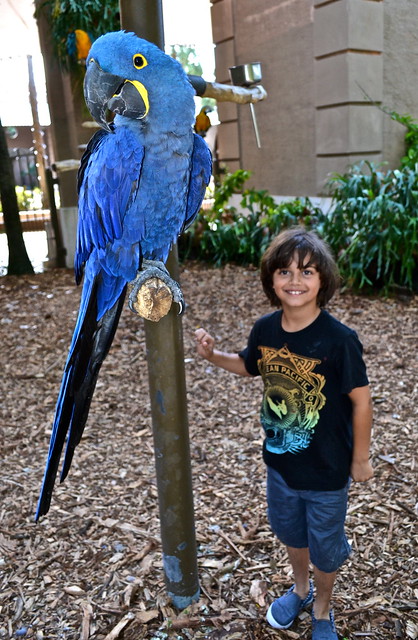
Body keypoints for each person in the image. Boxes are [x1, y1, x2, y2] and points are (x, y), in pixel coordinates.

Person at [195, 227, 373, 640]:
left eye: (307, 272)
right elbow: (248, 365)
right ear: (271, 280)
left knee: (325, 547)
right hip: (280, 464)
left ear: (322, 281)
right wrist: (211, 355)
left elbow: (362, 401)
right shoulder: (266, 329)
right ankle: (300, 589)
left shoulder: (340, 340)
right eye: (285, 272)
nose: (295, 281)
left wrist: (360, 460)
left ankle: (323, 610)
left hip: (327, 472)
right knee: (291, 533)